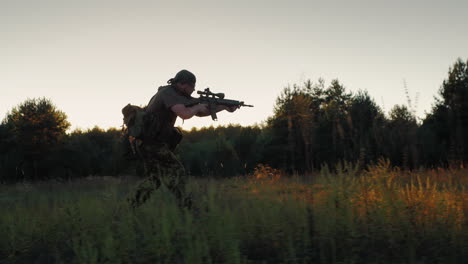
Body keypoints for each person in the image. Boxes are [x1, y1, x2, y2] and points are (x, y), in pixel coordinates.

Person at [128, 69, 237, 208]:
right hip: (151, 143)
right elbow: (185, 113)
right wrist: (197, 106)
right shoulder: (168, 93)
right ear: (183, 84)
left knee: (155, 180)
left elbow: (201, 112)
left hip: (148, 143)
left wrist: (224, 107)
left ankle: (131, 206)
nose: (193, 90)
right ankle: (186, 206)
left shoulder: (177, 94)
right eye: (192, 87)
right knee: (177, 171)